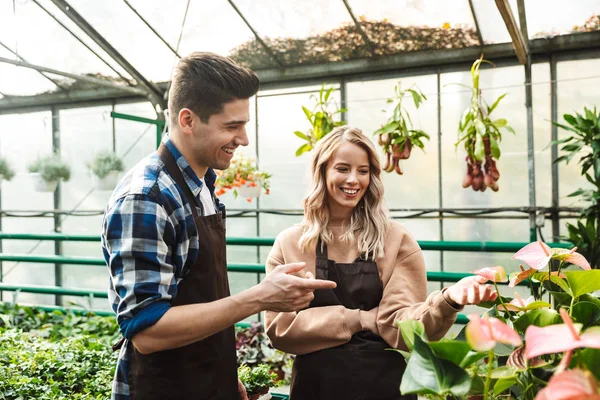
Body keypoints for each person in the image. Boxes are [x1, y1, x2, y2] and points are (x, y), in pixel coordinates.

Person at [101, 52, 336, 400]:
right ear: (187, 120)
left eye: (244, 125)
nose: (243, 139)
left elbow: (198, 297)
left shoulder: (201, 185)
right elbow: (147, 332)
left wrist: (226, 376)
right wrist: (259, 297)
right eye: (231, 126)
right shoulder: (147, 198)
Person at [264, 126, 498, 400]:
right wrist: (361, 318)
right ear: (322, 171)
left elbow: (404, 329)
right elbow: (281, 330)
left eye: (363, 171)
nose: (354, 180)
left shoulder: (396, 240)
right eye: (343, 168)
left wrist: (448, 300)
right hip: (316, 387)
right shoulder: (291, 243)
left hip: (387, 386)